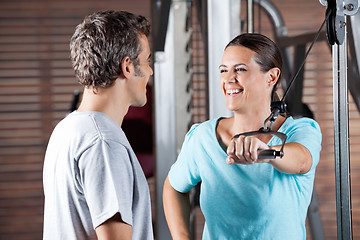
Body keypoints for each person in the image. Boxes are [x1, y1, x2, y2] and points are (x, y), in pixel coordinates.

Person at [163, 33, 322, 239]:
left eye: (240, 69)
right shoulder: (202, 138)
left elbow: (301, 160)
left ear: (271, 77)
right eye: (223, 70)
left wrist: (266, 152)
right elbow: (174, 188)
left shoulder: (299, 131)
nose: (228, 79)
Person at [43, 10, 154, 240]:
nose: (150, 71)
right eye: (147, 61)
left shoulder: (66, 129)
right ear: (128, 67)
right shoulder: (104, 142)